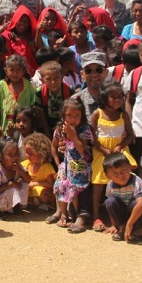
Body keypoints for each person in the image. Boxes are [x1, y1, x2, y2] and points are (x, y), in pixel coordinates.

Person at [90, 82, 137, 232]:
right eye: (113, 97)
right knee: (98, 177)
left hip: (120, 150)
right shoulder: (98, 113)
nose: (117, 100)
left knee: (125, 174)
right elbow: (90, 137)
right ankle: (96, 215)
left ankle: (125, 213)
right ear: (104, 98)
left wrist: (120, 146)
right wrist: (103, 149)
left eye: (120, 97)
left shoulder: (123, 115)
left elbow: (131, 135)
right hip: (101, 152)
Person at [48, 98, 94, 232]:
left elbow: (82, 151)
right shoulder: (59, 130)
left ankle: (78, 216)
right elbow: (53, 146)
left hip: (81, 165)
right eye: (69, 115)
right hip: (67, 164)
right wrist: (58, 164)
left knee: (75, 185)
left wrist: (73, 135)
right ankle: (63, 213)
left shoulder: (84, 130)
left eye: (77, 116)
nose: (73, 119)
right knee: (60, 183)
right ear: (63, 115)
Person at [102, 153, 142, 242]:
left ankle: (139, 230)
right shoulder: (110, 186)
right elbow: (110, 206)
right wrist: (113, 225)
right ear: (107, 175)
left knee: (135, 203)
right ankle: (121, 229)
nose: (120, 175)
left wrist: (129, 224)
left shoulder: (136, 181)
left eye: (123, 170)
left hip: (138, 213)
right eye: (115, 173)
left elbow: (141, 205)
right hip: (124, 212)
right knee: (110, 201)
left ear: (130, 167)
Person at [0, 139, 30, 215]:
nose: (14, 157)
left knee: (24, 185)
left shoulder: (18, 166)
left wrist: (20, 171)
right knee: (12, 189)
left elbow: (28, 180)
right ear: (0, 157)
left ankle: (14, 206)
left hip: (6, 194)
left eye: (16, 153)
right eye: (10, 155)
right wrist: (10, 184)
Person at [0, 55, 36, 138]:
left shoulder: (27, 85)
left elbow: (33, 106)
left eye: (18, 70)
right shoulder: (2, 85)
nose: (15, 73)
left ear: (23, 71)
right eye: (11, 70)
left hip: (24, 129)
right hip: (6, 129)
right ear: (6, 70)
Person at [35, 60, 71, 135]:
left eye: (56, 78)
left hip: (66, 127)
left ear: (62, 77)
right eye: (48, 79)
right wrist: (48, 135)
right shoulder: (40, 93)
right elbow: (42, 117)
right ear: (42, 80)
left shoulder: (69, 90)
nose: (53, 82)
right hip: (47, 128)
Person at [21, 133, 55, 210]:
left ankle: (45, 204)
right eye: (26, 152)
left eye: (31, 153)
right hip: (29, 190)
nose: (27, 155)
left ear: (41, 153)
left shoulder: (46, 167)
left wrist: (35, 183)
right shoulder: (26, 164)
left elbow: (51, 184)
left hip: (42, 192)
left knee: (39, 190)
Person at [3, 5, 39, 75]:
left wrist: (33, 48)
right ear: (15, 20)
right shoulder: (8, 35)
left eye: (25, 22)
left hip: (30, 73)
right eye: (20, 20)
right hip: (13, 72)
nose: (22, 24)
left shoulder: (32, 38)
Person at [73, 51, 107, 121]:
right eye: (88, 70)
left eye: (99, 69)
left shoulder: (116, 97)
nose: (94, 74)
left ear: (106, 72)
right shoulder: (75, 101)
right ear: (82, 74)